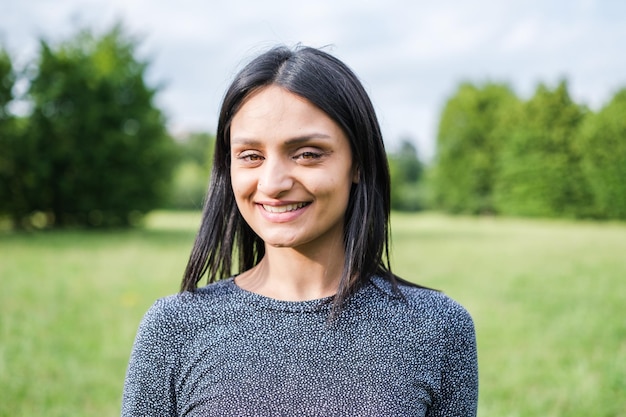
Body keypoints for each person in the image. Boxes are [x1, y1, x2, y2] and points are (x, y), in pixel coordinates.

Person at [121, 45, 478, 417]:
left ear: (358, 164)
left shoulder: (439, 329)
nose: (272, 183)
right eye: (251, 156)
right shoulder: (174, 328)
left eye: (307, 153)